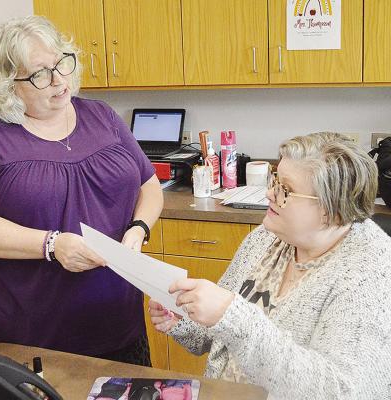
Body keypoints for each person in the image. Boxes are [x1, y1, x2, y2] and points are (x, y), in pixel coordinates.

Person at [149, 132, 391, 399]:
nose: (269, 193)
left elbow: (341, 393)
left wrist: (232, 316)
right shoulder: (266, 238)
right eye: (274, 180)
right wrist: (184, 318)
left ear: (330, 210)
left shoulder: (370, 274)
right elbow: (218, 335)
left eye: (284, 189)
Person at [0, 15, 163, 366]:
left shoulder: (102, 116)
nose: (58, 80)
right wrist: (51, 245)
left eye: (61, 63)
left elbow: (150, 187)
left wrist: (138, 229)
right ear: (9, 84)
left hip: (119, 324)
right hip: (33, 338)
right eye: (40, 74)